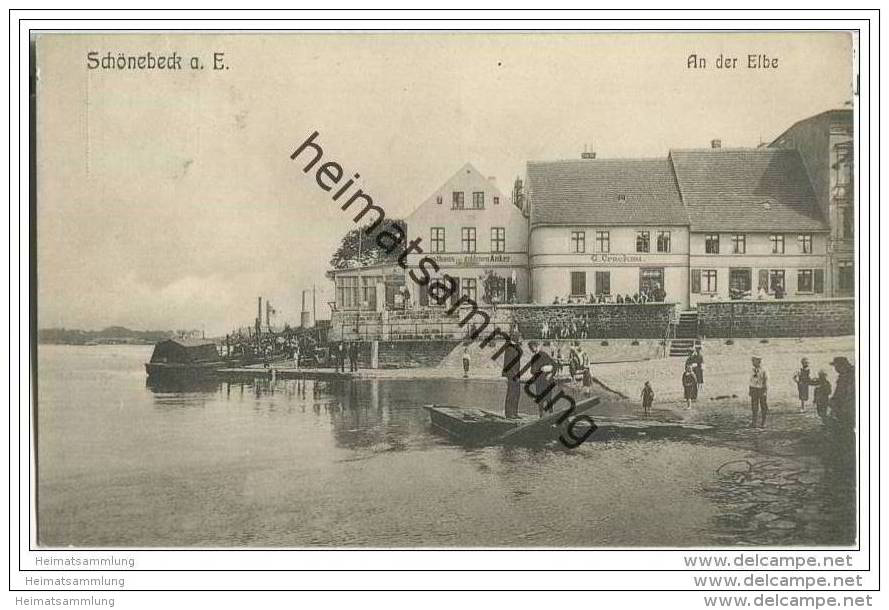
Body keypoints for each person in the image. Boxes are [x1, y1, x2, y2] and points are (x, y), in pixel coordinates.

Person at [527, 341, 556, 416]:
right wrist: (541, 369)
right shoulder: (533, 357)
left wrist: (550, 373)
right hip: (539, 381)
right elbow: (532, 371)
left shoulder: (544, 355)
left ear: (536, 347)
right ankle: (541, 415)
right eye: (530, 348)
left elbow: (554, 365)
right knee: (541, 399)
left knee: (548, 398)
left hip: (546, 380)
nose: (531, 350)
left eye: (532, 348)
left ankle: (551, 414)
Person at [830, 356, 855, 429]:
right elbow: (839, 391)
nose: (835, 369)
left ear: (842, 366)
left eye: (836, 366)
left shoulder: (850, 376)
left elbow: (847, 393)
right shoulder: (843, 375)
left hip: (848, 407)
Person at [501, 337, 523, 419]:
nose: (522, 340)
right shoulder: (510, 348)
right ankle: (509, 413)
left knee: (517, 393)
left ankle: (514, 412)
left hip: (516, 374)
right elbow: (509, 364)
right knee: (511, 393)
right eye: (520, 338)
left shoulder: (515, 348)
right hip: (511, 375)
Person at [749, 355, 769, 428]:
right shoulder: (752, 369)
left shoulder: (764, 370)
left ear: (758, 361)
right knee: (754, 406)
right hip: (754, 389)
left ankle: (763, 422)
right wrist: (750, 389)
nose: (752, 362)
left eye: (753, 360)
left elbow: (766, 380)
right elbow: (751, 380)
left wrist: (765, 390)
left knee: (763, 406)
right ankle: (754, 422)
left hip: (761, 389)